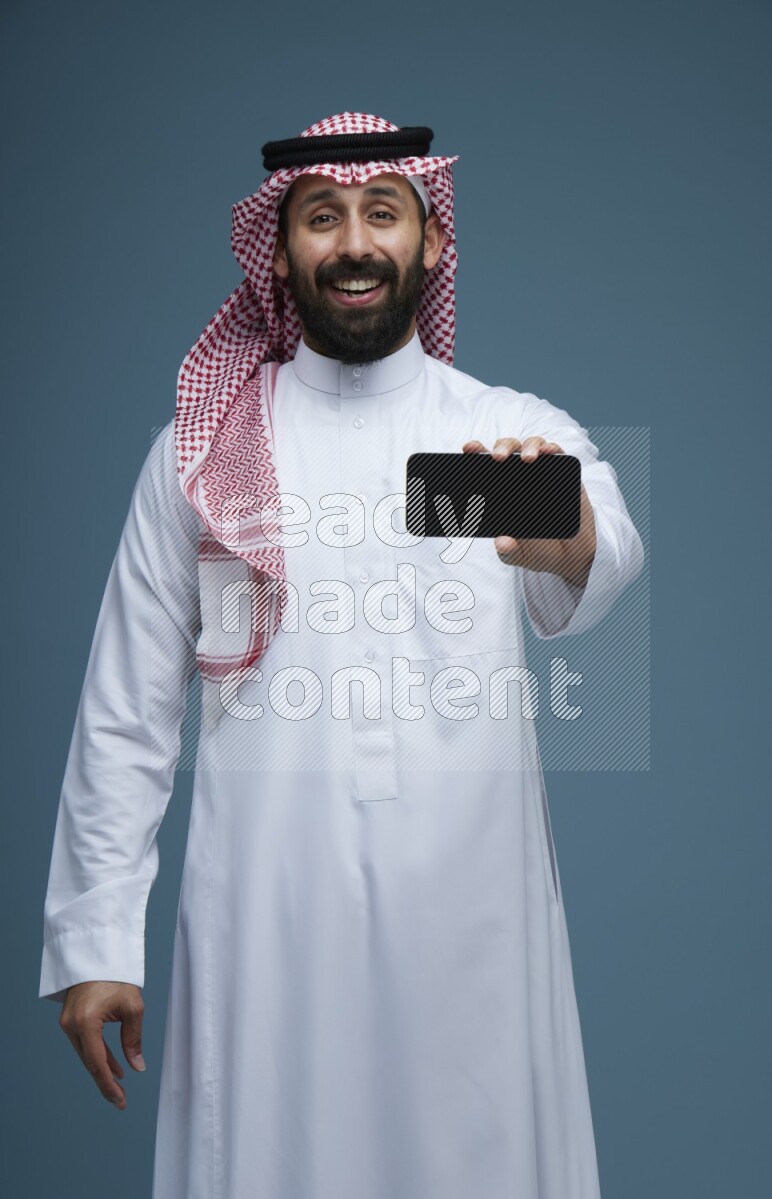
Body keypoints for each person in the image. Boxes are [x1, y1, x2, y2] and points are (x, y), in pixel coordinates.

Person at [39, 112, 644, 1198]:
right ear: (279, 251)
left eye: (382, 213)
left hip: (471, 926)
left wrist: (557, 527)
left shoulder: (489, 433)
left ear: (432, 243)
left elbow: (599, 545)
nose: (353, 243)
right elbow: (125, 706)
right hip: (270, 917)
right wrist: (95, 941)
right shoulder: (207, 455)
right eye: (321, 219)